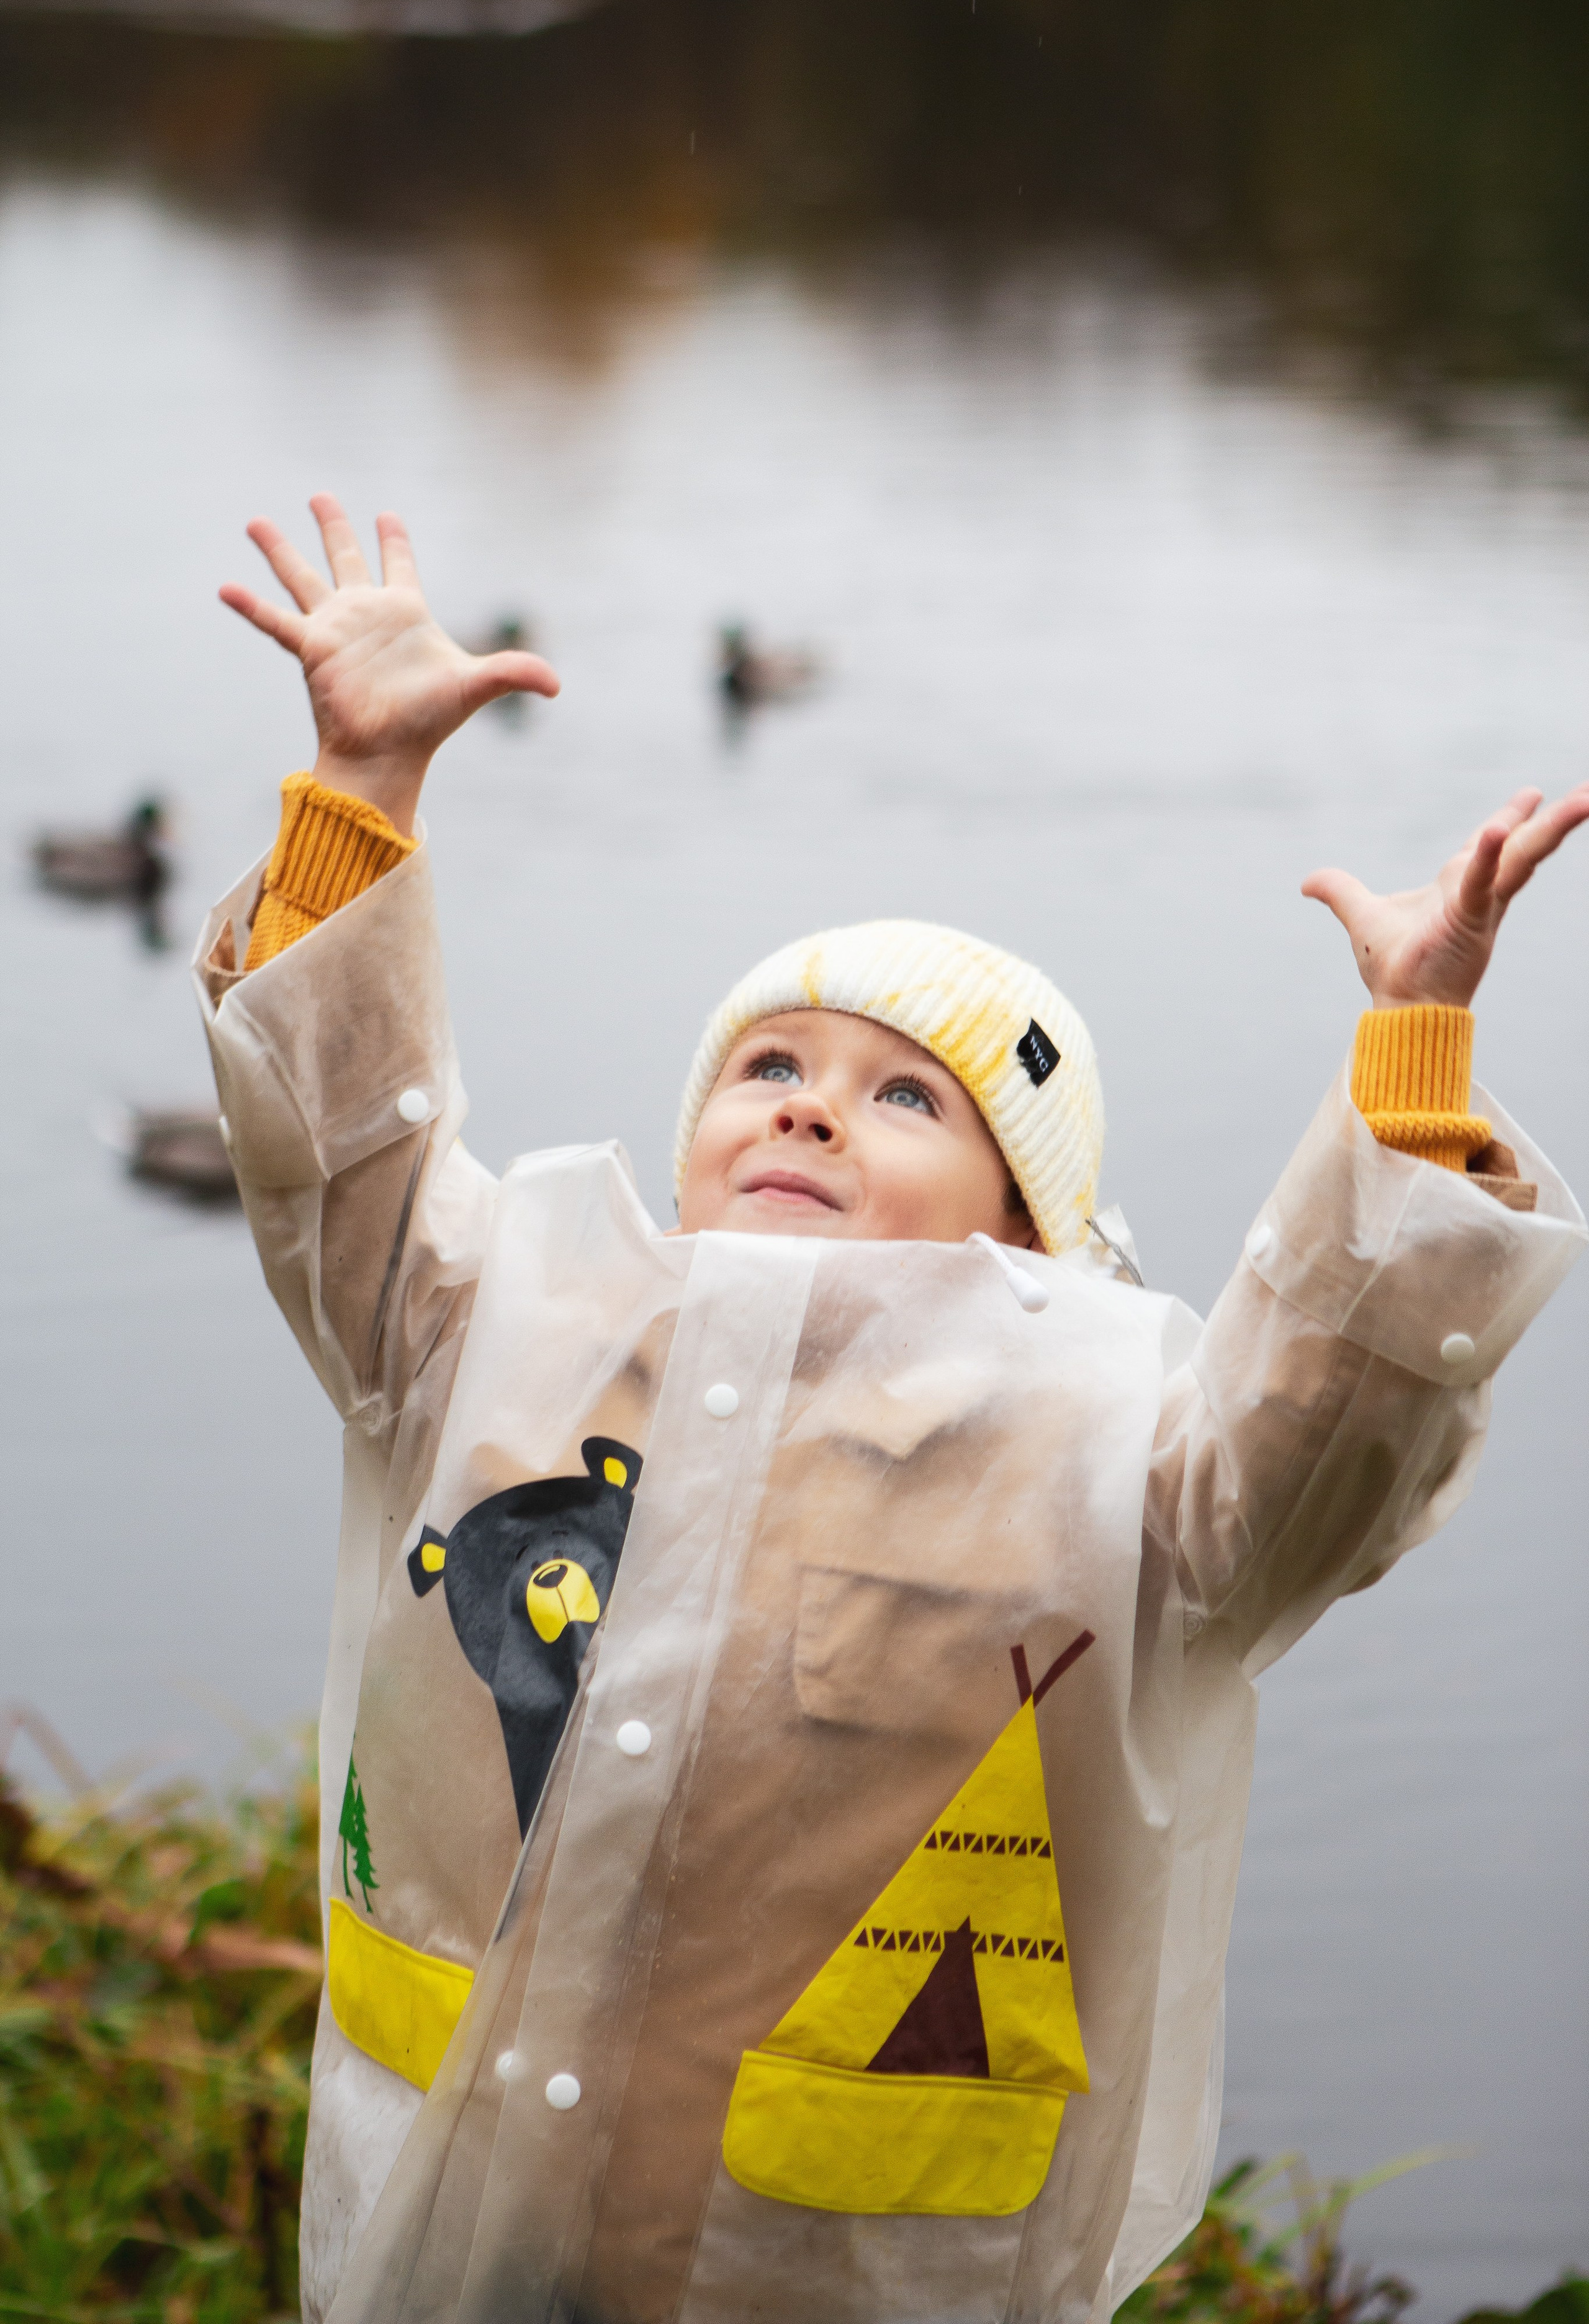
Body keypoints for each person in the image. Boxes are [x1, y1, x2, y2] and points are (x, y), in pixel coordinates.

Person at [201, 496, 1587, 2324]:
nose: (806, 1109)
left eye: (906, 1099)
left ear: (1033, 1229)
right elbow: (341, 1165)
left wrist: (1409, 1076)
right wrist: (360, 800)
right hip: (460, 2245)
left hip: (833, 2264)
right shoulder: (504, 1333)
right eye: (768, 1066)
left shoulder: (1108, 1460)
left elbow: (1320, 1443)